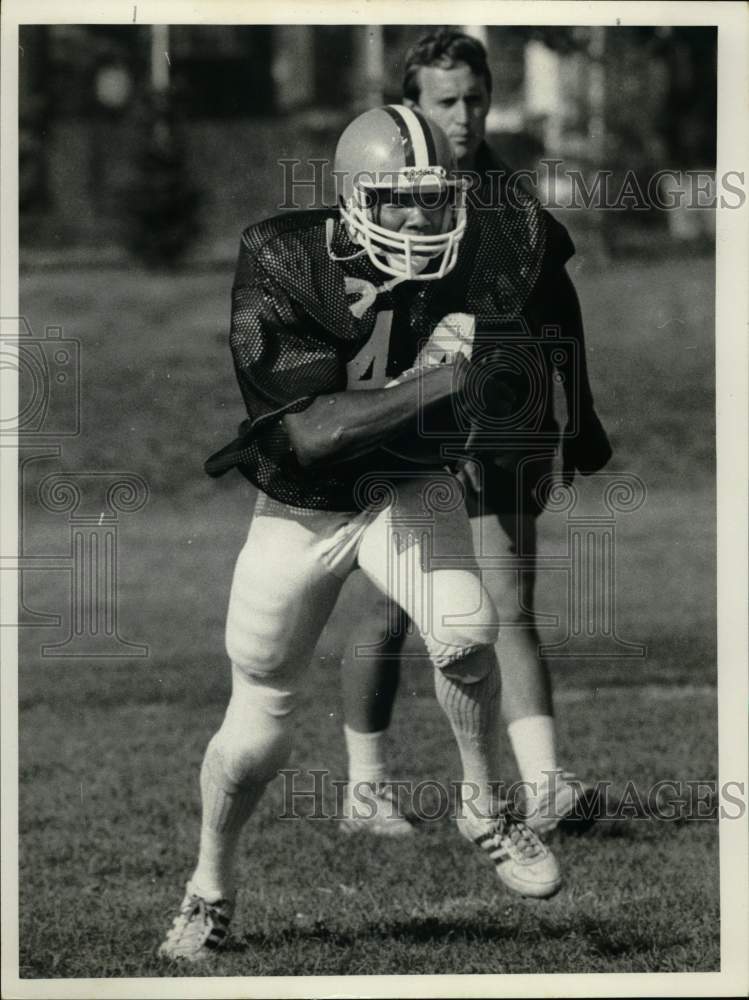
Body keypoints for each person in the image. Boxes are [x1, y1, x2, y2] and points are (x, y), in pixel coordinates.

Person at [159, 104, 564, 964]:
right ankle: (209, 886)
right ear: (352, 200)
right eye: (396, 200)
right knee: (260, 713)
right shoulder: (284, 255)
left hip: (405, 484)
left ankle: (483, 808)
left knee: (464, 629)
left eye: (436, 197)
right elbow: (311, 431)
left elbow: (544, 255)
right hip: (302, 501)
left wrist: (533, 374)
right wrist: (449, 378)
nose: (422, 218)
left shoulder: (487, 238)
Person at [338, 29, 612, 837]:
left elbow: (558, 306)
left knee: (507, 603)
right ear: (410, 105)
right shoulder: (381, 195)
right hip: (410, 420)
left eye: (475, 99)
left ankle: (544, 786)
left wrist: (581, 410)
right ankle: (364, 789)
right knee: (392, 611)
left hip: (503, 419)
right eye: (443, 101)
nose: (463, 117)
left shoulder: (507, 196)